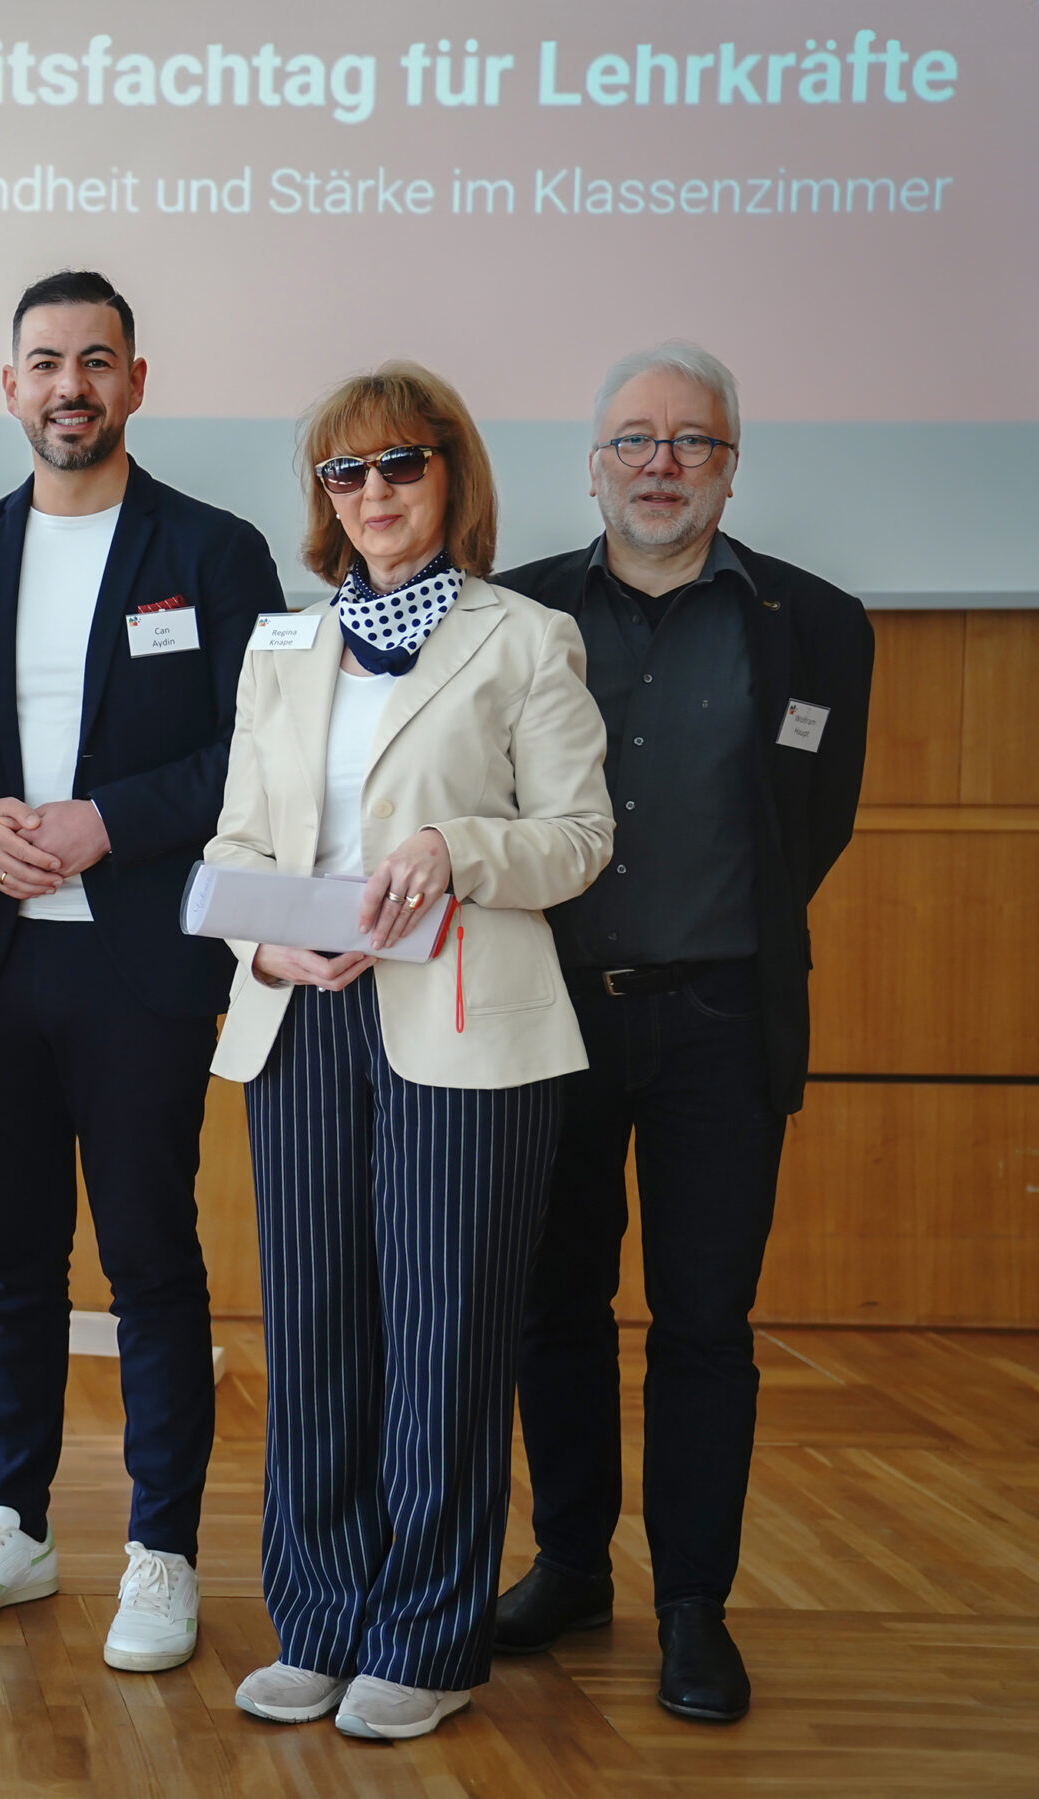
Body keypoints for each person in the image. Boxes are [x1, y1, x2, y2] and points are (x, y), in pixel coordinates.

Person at [205, 362, 613, 1740]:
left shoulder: (527, 636)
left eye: (401, 465)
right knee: (317, 1336)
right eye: (346, 473)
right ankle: (319, 1621)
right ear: (323, 498)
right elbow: (236, 850)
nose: (374, 493)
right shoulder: (280, 648)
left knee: (444, 1343)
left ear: (453, 477)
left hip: (464, 1035)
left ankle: (427, 1639)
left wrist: (458, 850)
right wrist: (266, 945)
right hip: (302, 1020)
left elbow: (580, 839)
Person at [0, 270, 275, 1675]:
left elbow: (252, 754)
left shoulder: (215, 554)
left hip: (144, 971)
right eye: (44, 361)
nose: (69, 386)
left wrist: (112, 820)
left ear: (135, 381)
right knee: (11, 1264)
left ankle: (160, 1550)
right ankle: (15, 1520)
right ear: (10, 387)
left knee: (153, 1262)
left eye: (94, 361)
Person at [494, 343, 874, 1724]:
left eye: (691, 441)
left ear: (731, 463)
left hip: (722, 1022)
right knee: (556, 1307)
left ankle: (692, 1607)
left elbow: (808, 829)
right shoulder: (517, 610)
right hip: (552, 1016)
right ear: (592, 463)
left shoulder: (816, 623)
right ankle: (574, 1564)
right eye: (634, 440)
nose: (661, 462)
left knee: (705, 1322)